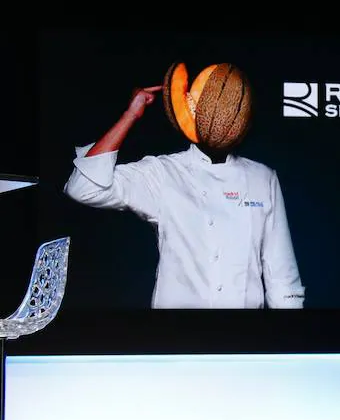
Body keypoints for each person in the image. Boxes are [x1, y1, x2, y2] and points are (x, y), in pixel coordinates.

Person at [63, 84, 306, 309]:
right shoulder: (163, 173)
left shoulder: (262, 177)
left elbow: (283, 277)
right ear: (192, 113)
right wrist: (131, 115)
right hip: (174, 334)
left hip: (244, 336)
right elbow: (83, 187)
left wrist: (287, 340)